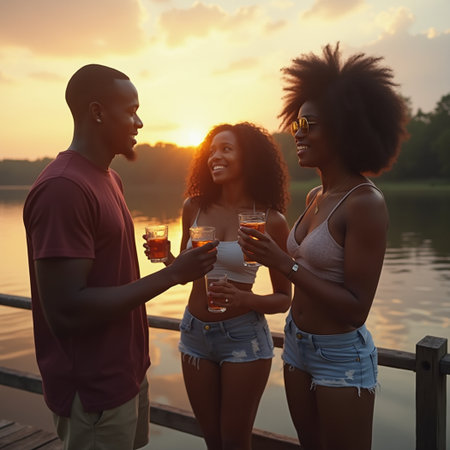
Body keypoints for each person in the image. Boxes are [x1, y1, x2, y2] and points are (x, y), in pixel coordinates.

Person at [23, 64, 218, 450]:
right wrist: (175, 274)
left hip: (127, 374)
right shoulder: (63, 188)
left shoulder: (109, 178)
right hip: (94, 391)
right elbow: (66, 311)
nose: (139, 122)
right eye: (131, 110)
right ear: (96, 112)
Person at [238, 44, 408, 450]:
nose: (298, 133)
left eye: (310, 124)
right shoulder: (317, 195)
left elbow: (355, 308)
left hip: (340, 355)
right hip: (297, 343)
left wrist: (284, 262)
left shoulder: (365, 202)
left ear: (345, 127)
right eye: (296, 124)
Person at [148, 122, 292, 449]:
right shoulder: (194, 208)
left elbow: (284, 298)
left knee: (235, 441)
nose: (216, 156)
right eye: (211, 150)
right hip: (194, 334)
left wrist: (245, 298)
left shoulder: (270, 220)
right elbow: (186, 273)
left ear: (249, 158)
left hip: (243, 338)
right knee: (212, 440)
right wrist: (169, 257)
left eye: (226, 149)